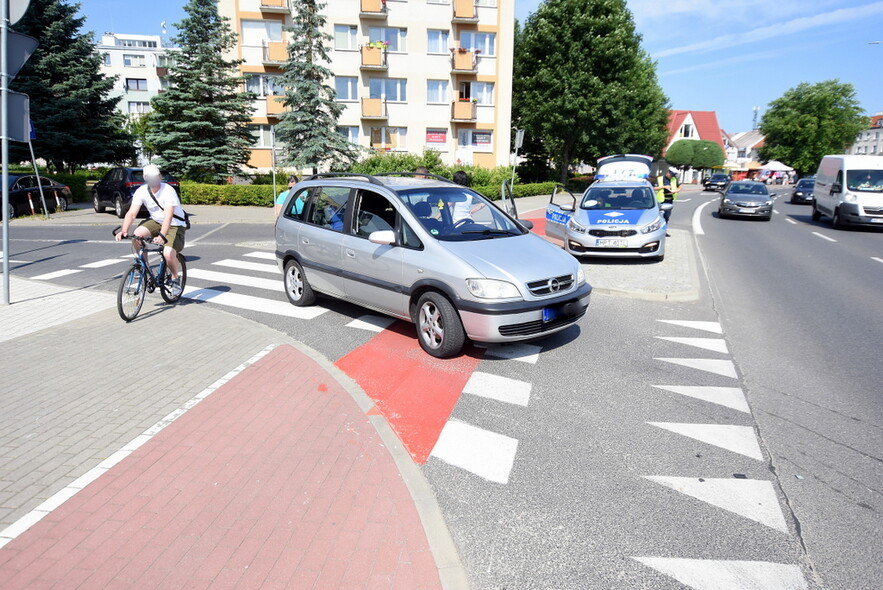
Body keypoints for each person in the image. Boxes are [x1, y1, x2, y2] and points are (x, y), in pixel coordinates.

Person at [116, 164, 186, 296]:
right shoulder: (142, 191)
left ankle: (175, 278)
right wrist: (124, 230)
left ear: (160, 177)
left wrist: (162, 235)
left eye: (157, 177)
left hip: (175, 224)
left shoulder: (168, 190)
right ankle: (144, 267)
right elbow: (131, 213)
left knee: (168, 253)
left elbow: (168, 216)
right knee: (136, 236)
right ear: (145, 178)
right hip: (155, 220)